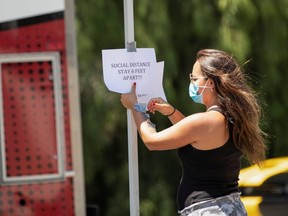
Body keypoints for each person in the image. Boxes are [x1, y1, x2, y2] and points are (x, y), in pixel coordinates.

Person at [120, 49, 266, 215]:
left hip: (209, 210)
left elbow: (151, 141)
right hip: (230, 207)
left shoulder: (207, 121)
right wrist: (171, 112)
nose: (192, 83)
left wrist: (134, 106)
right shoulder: (231, 117)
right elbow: (193, 136)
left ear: (210, 83)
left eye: (195, 79)